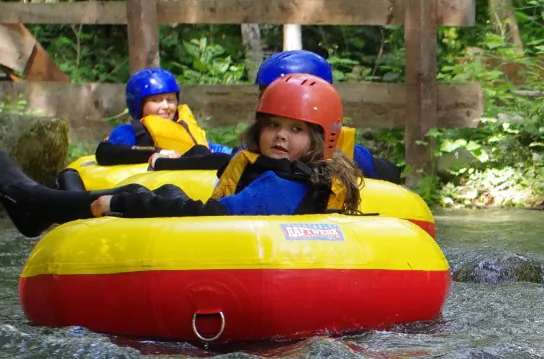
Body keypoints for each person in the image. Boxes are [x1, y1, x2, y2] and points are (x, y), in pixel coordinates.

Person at [0, 74, 362, 237]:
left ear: (321, 139)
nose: (280, 134)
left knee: (136, 195)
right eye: (273, 125)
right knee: (164, 192)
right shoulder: (316, 179)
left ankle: (35, 203)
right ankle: (48, 201)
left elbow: (209, 217)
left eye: (296, 129)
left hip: (221, 251)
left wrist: (124, 203)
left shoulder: (278, 187)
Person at [255, 50, 404, 183]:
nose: (268, 100)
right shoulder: (260, 140)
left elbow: (391, 174)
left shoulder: (342, 147)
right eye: (264, 93)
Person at [94, 67, 231, 170]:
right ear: (138, 104)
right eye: (156, 100)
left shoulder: (183, 127)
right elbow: (104, 152)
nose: (165, 106)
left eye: (170, 100)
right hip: (157, 182)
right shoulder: (130, 133)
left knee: (199, 150)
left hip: (197, 174)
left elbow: (215, 150)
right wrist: (158, 152)